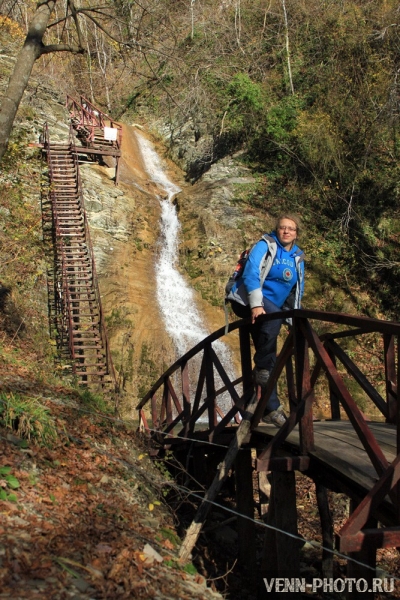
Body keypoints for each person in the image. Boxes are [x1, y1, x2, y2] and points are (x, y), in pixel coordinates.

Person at [226, 214, 305, 427]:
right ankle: (261, 371)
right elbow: (251, 273)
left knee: (268, 355)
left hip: (273, 312)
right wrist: (256, 304)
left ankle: (270, 409)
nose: (286, 231)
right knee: (265, 356)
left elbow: (296, 293)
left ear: (296, 234)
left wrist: (292, 320)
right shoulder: (265, 245)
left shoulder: (297, 258)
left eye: (291, 229)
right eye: (282, 228)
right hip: (247, 300)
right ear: (276, 230)